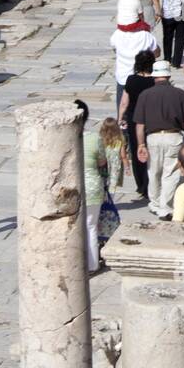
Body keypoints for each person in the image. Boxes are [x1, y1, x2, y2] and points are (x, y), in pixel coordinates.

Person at [133, 60, 184, 219]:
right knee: (170, 174)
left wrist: (141, 144)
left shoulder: (144, 95)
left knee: (153, 171)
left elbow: (139, 124)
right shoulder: (180, 94)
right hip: (173, 137)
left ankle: (154, 204)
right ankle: (165, 206)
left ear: (154, 76)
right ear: (168, 75)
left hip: (153, 138)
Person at [110, 0, 159, 110]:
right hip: (141, 79)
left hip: (123, 77)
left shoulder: (116, 35)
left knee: (123, 110)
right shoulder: (145, 35)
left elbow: (114, 49)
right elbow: (157, 52)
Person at [117, 49, 155, 197]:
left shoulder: (131, 80)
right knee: (151, 151)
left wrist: (120, 119)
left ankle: (141, 185)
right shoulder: (154, 81)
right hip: (151, 120)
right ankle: (149, 183)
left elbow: (124, 103)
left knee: (136, 151)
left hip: (134, 120)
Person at [76, 100, 107, 273]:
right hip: (93, 187)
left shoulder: (67, 137)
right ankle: (93, 264)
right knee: (91, 227)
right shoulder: (95, 139)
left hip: (72, 189)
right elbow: (102, 161)